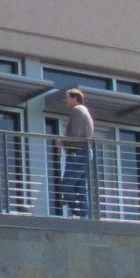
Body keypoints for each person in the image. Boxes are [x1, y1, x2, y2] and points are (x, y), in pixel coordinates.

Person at [56, 89, 96, 219]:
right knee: (80, 187)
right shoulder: (85, 111)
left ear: (75, 98)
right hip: (83, 151)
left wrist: (63, 142)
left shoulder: (77, 110)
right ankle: (83, 215)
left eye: (68, 98)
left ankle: (78, 212)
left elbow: (75, 134)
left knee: (66, 185)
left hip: (78, 152)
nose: (66, 101)